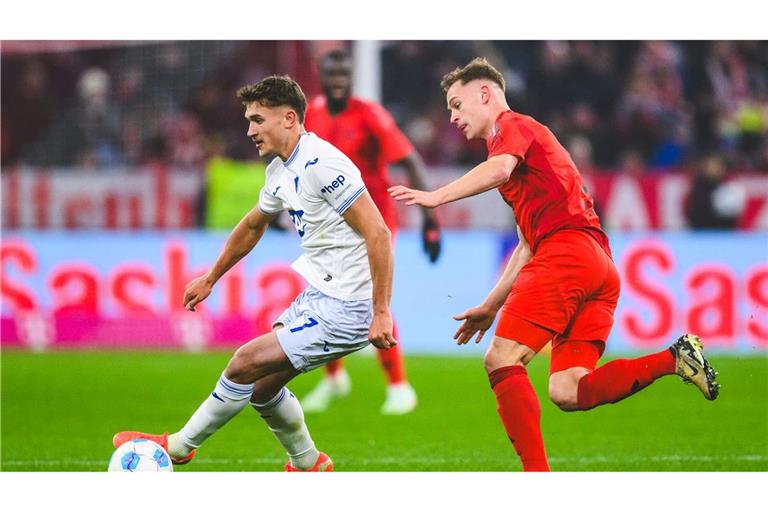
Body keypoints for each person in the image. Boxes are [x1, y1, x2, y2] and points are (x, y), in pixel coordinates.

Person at [389, 58, 721, 472]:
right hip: (598, 265)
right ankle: (674, 360)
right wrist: (492, 305)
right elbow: (527, 243)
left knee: (501, 359)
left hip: (566, 254)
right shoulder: (525, 150)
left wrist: (437, 197)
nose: (452, 117)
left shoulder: (510, 128)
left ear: (485, 94)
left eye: (457, 105)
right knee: (568, 389)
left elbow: (500, 170)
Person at [113, 75, 396, 471]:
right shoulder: (280, 171)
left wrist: (381, 311)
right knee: (262, 388)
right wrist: (211, 277)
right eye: (248, 120)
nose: (250, 130)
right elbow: (252, 225)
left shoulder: (323, 164)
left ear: (289, 118)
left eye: (257, 119)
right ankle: (309, 464)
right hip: (319, 295)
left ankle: (177, 447)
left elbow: (378, 233)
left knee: (244, 362)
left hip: (349, 306)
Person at [301, 49, 441, 415]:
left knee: (372, 301)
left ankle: (399, 386)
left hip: (373, 223)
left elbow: (409, 160)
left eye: (344, 74)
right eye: (332, 73)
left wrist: (430, 219)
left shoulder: (369, 115)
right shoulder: (311, 113)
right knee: (324, 295)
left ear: (350, 76)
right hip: (329, 226)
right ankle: (334, 378)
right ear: (321, 74)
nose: (338, 80)